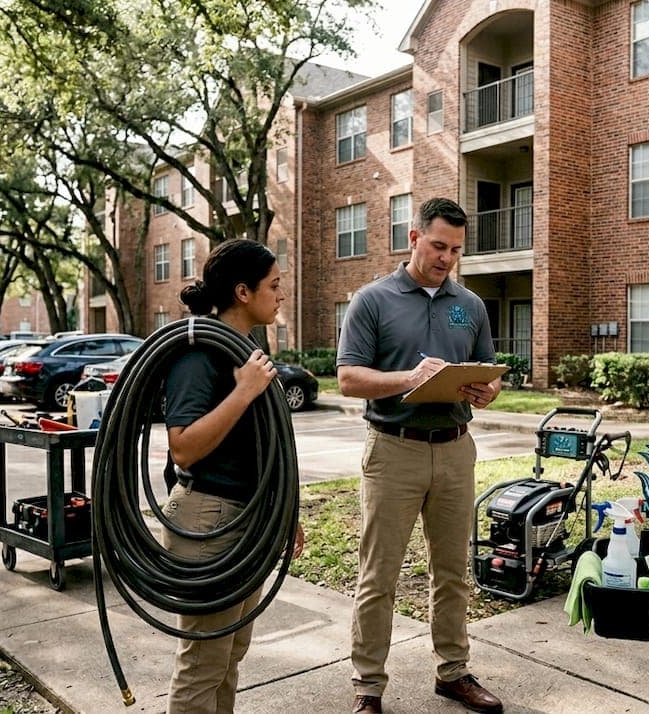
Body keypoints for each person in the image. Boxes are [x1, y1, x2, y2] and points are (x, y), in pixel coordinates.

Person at [336, 197, 504, 714]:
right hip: (393, 450)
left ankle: (453, 673)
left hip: (456, 451)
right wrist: (409, 379)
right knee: (378, 575)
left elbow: (488, 373)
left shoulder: (469, 305)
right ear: (413, 238)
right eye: (437, 246)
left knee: (452, 571)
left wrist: (484, 392)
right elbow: (348, 378)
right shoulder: (372, 300)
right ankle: (368, 687)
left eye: (455, 249)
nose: (446, 258)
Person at [161, 238, 305, 713]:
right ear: (243, 292)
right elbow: (182, 447)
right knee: (204, 662)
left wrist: (284, 510)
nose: (281, 295)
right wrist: (242, 392)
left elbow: (264, 446)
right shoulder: (198, 351)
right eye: (275, 285)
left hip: (248, 516)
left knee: (229, 656)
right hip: (207, 520)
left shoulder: (247, 348)